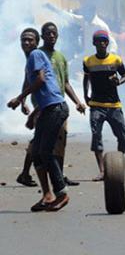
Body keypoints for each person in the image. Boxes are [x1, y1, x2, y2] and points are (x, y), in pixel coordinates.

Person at [7, 28, 70, 211]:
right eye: (23, 40)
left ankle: (62, 193)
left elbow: (41, 81)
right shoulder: (31, 60)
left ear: (36, 42)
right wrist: (32, 110)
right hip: (47, 109)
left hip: (55, 109)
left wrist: (19, 99)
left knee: (45, 152)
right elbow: (35, 86)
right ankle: (47, 195)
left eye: (29, 40)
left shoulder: (35, 54)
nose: (26, 43)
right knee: (36, 152)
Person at [17, 22, 86, 188]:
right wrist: (23, 101)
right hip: (44, 104)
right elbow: (30, 79)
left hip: (57, 104)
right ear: (42, 36)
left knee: (59, 140)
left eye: (54, 33)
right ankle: (29, 174)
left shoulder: (60, 57)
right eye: (48, 33)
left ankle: (57, 176)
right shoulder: (38, 54)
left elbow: (66, 83)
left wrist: (77, 102)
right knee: (40, 142)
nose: (51, 36)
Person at [83, 30, 125, 181]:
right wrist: (85, 95)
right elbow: (86, 78)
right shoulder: (88, 61)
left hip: (114, 105)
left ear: (107, 43)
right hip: (96, 104)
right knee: (96, 136)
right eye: (98, 41)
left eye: (104, 41)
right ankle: (102, 170)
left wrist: (119, 82)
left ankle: (118, 164)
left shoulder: (115, 60)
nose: (101, 43)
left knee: (123, 137)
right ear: (94, 43)